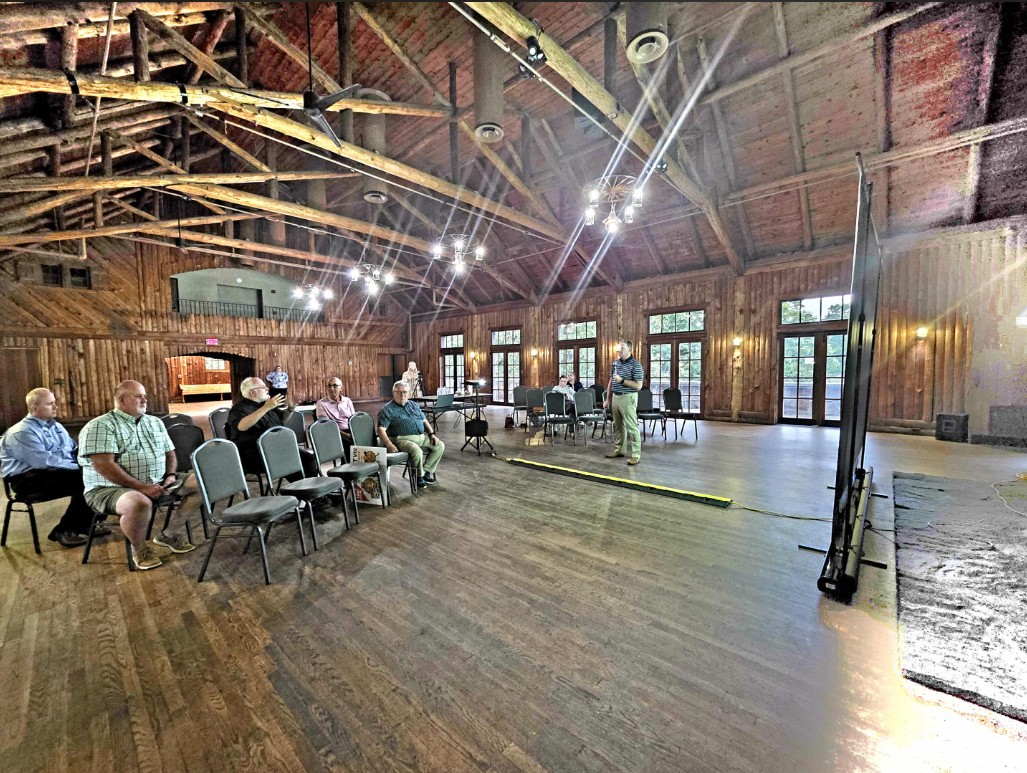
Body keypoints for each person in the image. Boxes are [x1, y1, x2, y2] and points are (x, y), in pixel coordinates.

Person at [78, 380, 193, 571]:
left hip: (157, 481)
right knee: (138, 503)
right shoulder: (100, 425)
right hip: (109, 488)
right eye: (138, 396)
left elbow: (170, 453)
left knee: (204, 483)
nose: (145, 400)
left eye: (144, 396)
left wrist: (171, 475)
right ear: (122, 400)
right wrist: (141, 487)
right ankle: (139, 549)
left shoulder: (155, 422)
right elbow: (104, 466)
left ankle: (168, 534)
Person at [0, 387, 109, 548]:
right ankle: (65, 529)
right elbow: (44, 462)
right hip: (27, 480)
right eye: (50, 404)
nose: (55, 407)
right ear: (34, 408)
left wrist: (94, 460)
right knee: (87, 478)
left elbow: (73, 450)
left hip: (53, 472)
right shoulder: (21, 432)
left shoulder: (56, 426)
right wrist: (82, 467)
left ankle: (87, 523)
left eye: (54, 403)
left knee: (104, 473)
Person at [226, 376, 319, 480]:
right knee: (290, 463)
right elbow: (241, 426)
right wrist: (266, 408)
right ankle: (303, 488)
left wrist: (291, 408)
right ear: (252, 392)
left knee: (308, 458)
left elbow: (282, 419)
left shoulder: (265, 404)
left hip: (277, 447)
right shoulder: (239, 408)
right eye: (263, 387)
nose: (267, 389)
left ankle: (313, 487)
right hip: (255, 453)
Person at [376, 381, 444, 489]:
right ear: (393, 393)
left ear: (409, 393)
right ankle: (418, 476)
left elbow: (424, 421)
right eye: (399, 392)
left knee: (439, 446)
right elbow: (380, 430)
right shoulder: (387, 409)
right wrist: (389, 445)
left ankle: (426, 471)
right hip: (400, 440)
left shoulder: (413, 405)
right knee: (416, 450)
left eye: (405, 392)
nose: (402, 395)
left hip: (421, 437)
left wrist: (432, 434)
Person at [605, 339, 644, 465]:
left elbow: (638, 386)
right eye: (618, 348)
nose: (619, 351)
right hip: (616, 397)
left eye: (622, 348)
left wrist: (622, 380)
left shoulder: (636, 365)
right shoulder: (615, 363)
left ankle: (636, 455)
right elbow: (611, 381)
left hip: (628, 397)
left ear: (629, 349)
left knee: (631, 427)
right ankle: (619, 450)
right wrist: (608, 399)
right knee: (618, 426)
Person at [315, 377, 355, 445]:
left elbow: (354, 420)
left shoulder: (347, 401)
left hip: (351, 431)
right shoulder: (321, 403)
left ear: (341, 388)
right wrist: (347, 436)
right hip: (335, 434)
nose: (331, 388)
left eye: (335, 386)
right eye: (329, 386)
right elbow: (326, 426)